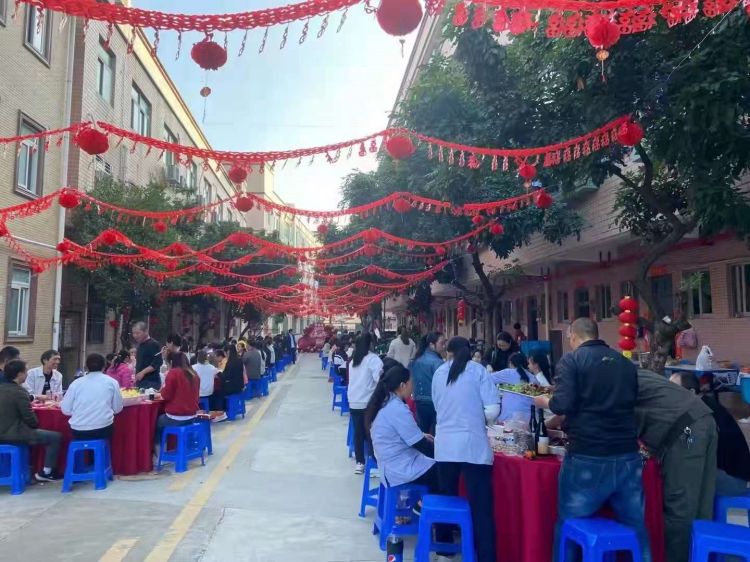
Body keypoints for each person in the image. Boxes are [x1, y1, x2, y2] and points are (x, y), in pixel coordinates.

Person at [533, 318, 650, 562]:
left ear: (574, 335)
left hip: (588, 454)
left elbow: (562, 404)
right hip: (627, 454)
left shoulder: (572, 360)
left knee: (570, 524)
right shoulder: (624, 363)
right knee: (636, 528)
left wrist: (544, 402)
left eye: (569, 337)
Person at [629, 369, 718, 562]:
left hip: (686, 432)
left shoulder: (609, 383)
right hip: (702, 420)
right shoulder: (626, 372)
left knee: (679, 510)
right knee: (701, 507)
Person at [432, 337, 500, 562]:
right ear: (469, 351)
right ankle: (486, 557)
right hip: (474, 447)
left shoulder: (439, 373)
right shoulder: (479, 371)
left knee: (446, 498)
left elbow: (437, 405)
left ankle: (444, 552)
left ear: (448, 352)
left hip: (445, 446)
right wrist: (477, 417)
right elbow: (493, 409)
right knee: (481, 508)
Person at [670, 372, 750, 495]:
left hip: (732, 479)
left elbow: (693, 453)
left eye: (673, 390)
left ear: (691, 392)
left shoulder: (704, 414)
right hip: (728, 472)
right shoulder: (702, 405)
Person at [365, 364, 441, 493]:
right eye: (411, 383)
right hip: (398, 468)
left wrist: (421, 435)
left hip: (391, 463)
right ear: (402, 386)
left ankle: (423, 502)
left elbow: (398, 432)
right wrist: (444, 455)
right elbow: (420, 445)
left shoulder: (386, 402)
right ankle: (423, 503)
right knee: (443, 472)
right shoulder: (396, 409)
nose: (413, 386)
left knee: (436, 465)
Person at [0, 360, 63, 482]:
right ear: (19, 374)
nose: (27, 374)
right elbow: (31, 420)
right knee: (55, 437)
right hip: (13, 434)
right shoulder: (19, 392)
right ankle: (46, 472)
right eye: (26, 372)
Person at [61, 353, 124, 440]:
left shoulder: (76, 383)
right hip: (103, 428)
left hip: (78, 430)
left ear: (86, 367)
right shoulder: (112, 382)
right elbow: (117, 408)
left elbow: (65, 410)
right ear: (104, 366)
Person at [348, 333, 384, 474]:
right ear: (370, 344)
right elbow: (380, 379)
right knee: (371, 432)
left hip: (354, 401)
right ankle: (373, 462)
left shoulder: (354, 360)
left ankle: (359, 463)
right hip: (368, 402)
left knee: (358, 432)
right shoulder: (373, 359)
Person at [155, 352, 199, 447]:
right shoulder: (194, 374)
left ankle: (159, 450)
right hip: (192, 416)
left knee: (157, 421)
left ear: (171, 362)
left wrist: (160, 393)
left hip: (176, 417)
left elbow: (166, 395)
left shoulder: (173, 373)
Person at [410, 332, 445, 434]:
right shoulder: (438, 362)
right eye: (441, 343)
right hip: (433, 401)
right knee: (435, 433)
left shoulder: (416, 360)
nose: (444, 346)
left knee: (422, 431)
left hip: (418, 399)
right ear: (431, 345)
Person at [132, 321, 163, 390]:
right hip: (140, 382)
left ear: (146, 331)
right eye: (133, 333)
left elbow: (158, 362)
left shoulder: (154, 344)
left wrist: (143, 372)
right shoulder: (140, 346)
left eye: (137, 333)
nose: (135, 336)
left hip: (151, 382)